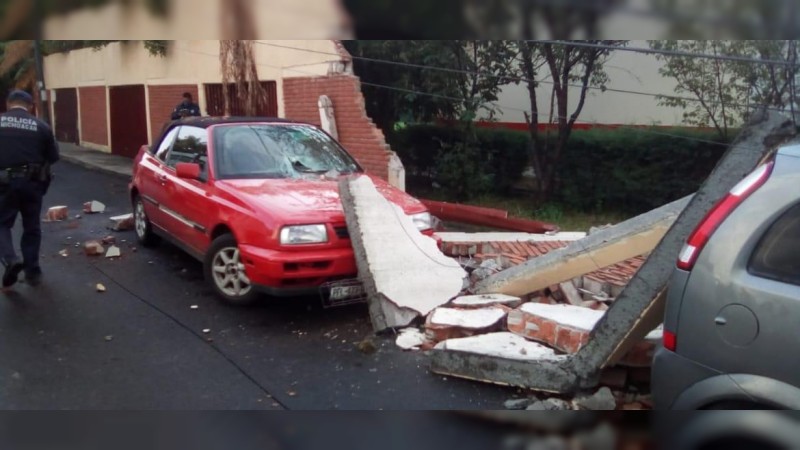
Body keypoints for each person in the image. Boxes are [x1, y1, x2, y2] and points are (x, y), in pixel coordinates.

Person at [0, 90, 59, 288]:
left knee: (1, 224)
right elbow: (53, 157)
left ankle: (11, 259)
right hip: (33, 183)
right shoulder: (41, 126)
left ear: (8, 104)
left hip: (4, 183)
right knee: (31, 226)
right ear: (31, 106)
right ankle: (33, 272)